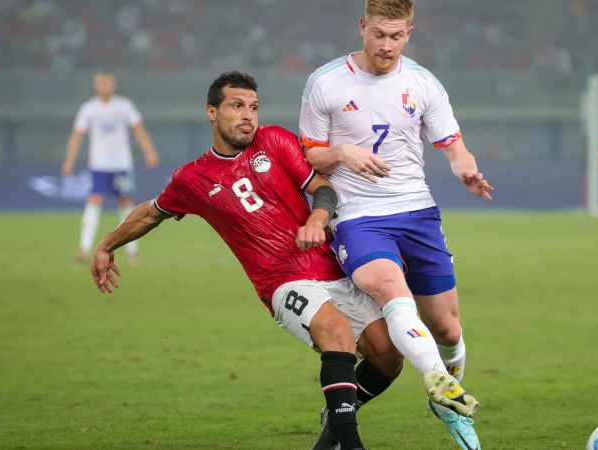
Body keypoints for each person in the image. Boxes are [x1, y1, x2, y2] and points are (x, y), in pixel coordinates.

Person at [89, 71, 404, 450]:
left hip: (330, 267)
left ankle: (338, 415)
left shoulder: (274, 141)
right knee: (336, 335)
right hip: (282, 282)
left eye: (253, 107)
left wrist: (317, 219)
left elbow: (323, 188)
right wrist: (107, 245)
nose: (248, 116)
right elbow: (149, 213)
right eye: (237, 106)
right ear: (211, 112)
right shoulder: (193, 178)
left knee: (389, 356)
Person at [299, 1, 491, 448]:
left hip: (417, 212)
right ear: (363, 27)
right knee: (390, 288)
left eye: (397, 36)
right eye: (379, 34)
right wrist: (343, 153)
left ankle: (444, 388)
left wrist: (466, 170)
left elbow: (455, 147)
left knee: (447, 329)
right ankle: (446, 395)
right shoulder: (326, 82)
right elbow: (307, 155)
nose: (387, 45)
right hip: (359, 216)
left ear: (410, 33)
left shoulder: (422, 83)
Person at [62, 71, 160, 264]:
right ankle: (84, 248)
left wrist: (149, 151)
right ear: (95, 85)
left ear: (113, 84)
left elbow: (138, 130)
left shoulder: (124, 106)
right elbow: (77, 136)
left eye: (106, 82)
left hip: (121, 164)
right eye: (99, 82)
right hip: (98, 164)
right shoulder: (89, 108)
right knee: (94, 200)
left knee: (125, 204)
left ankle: (133, 251)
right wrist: (69, 160)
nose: (103, 85)